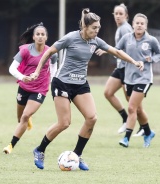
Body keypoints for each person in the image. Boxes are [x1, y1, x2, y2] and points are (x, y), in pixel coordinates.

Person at [30, 8, 143, 171]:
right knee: (64, 123)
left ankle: (76, 155)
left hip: (80, 84)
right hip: (62, 82)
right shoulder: (71, 37)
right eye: (94, 28)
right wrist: (37, 71)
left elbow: (116, 52)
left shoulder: (95, 41)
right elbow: (49, 52)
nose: (97, 31)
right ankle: (39, 150)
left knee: (92, 118)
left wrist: (134, 61)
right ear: (85, 27)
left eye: (98, 28)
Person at [3, 23, 58, 154]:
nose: (40, 36)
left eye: (42, 34)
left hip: (40, 90)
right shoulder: (25, 51)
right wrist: (23, 77)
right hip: (24, 87)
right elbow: (12, 68)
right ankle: (27, 120)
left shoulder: (51, 52)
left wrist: (51, 82)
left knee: (25, 116)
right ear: (33, 37)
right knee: (20, 118)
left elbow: (54, 69)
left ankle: (10, 146)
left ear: (46, 37)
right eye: (37, 34)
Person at [95, 3, 144, 136]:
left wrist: (107, 51)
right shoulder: (120, 28)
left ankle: (144, 127)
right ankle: (125, 118)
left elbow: (130, 46)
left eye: (120, 14)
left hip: (127, 69)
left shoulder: (125, 29)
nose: (118, 16)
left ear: (126, 16)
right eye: (116, 13)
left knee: (132, 102)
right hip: (120, 68)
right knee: (108, 92)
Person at [116, 13, 160, 148]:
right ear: (133, 24)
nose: (139, 25)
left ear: (146, 26)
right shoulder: (127, 38)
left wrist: (151, 59)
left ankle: (126, 138)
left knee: (131, 107)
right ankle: (148, 132)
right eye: (137, 23)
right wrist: (105, 51)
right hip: (129, 78)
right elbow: (117, 50)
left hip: (144, 79)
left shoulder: (151, 40)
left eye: (142, 23)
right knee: (137, 109)